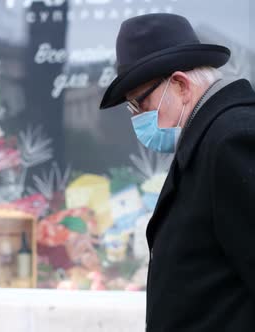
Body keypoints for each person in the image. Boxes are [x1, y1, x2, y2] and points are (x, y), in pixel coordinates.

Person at [99, 13, 255, 331]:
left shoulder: (232, 139)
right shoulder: (206, 138)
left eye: (140, 104)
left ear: (181, 85)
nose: (137, 118)